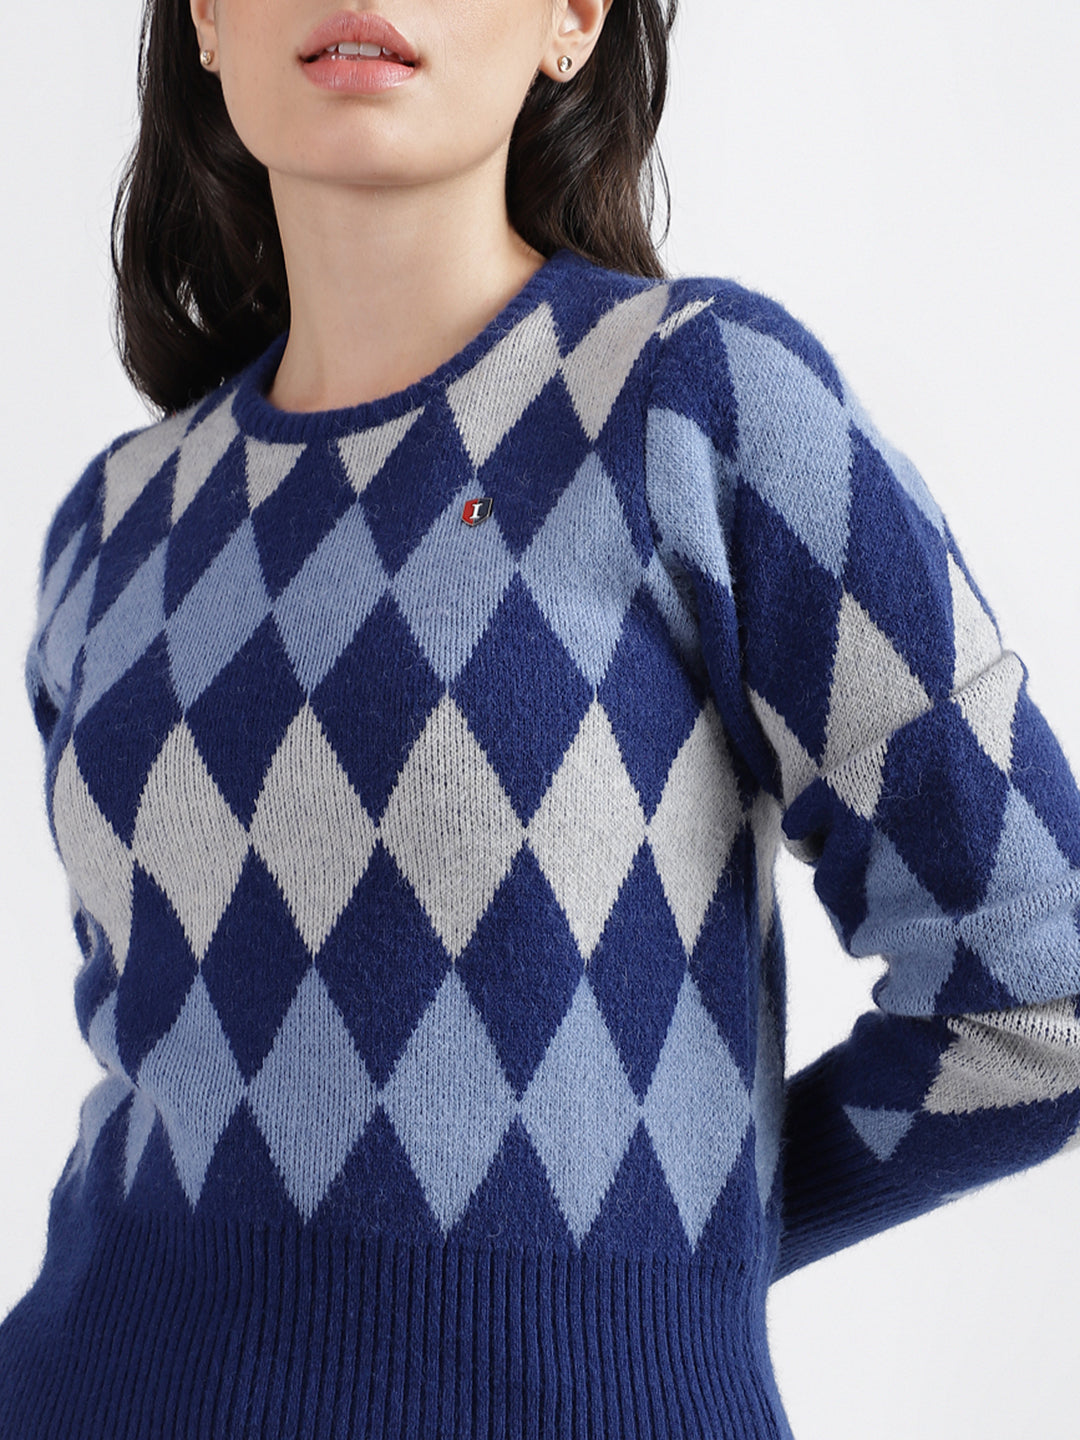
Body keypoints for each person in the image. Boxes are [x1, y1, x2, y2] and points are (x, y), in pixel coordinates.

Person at [1, 1, 1078, 1437]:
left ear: (573, 18)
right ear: (206, 16)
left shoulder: (695, 403)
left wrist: (667, 1259)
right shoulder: (113, 527)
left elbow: (1041, 989)